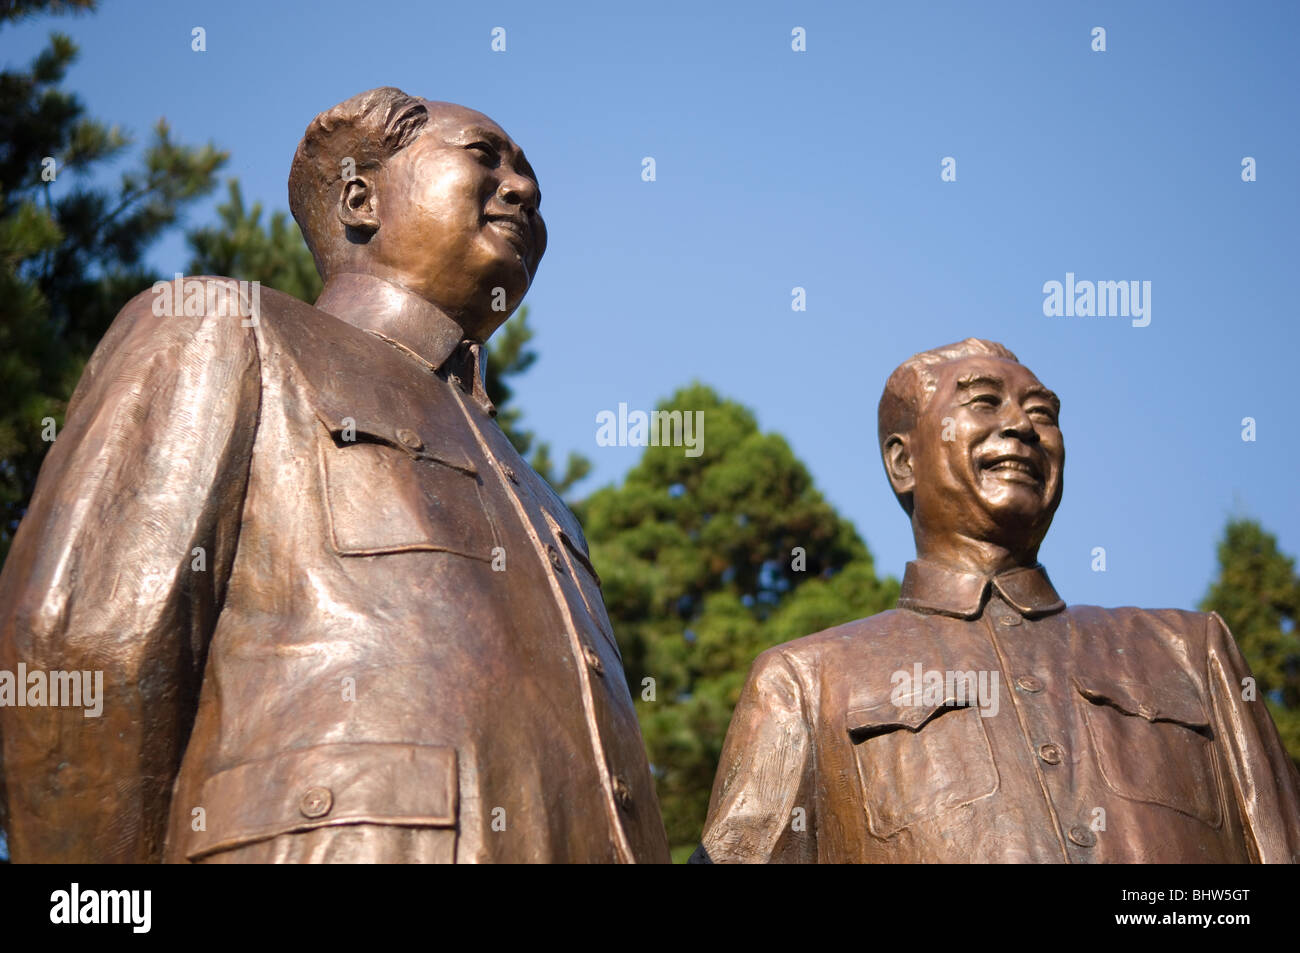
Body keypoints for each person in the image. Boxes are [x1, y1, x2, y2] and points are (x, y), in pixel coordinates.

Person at [0, 87, 670, 863]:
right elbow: (79, 645)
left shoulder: (539, 496)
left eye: (528, 178)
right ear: (360, 198)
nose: (523, 189)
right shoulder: (225, 327)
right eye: (484, 158)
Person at [696, 338, 1300, 863]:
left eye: (1042, 412)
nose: (1021, 426)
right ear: (904, 462)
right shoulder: (806, 681)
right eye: (984, 402)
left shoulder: (1190, 651)